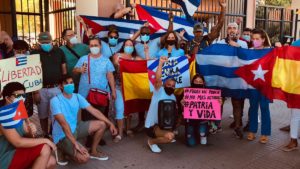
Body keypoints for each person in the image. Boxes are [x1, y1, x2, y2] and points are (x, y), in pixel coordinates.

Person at [50, 75, 117, 163]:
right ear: (60, 86)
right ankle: (61, 149)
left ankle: (93, 151)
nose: (70, 85)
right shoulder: (55, 100)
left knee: (102, 124)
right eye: (66, 83)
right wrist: (75, 143)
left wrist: (110, 123)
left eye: (71, 82)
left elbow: (94, 111)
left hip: (75, 128)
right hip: (62, 136)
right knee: (84, 158)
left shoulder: (77, 97)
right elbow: (64, 124)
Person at [0, 82, 56, 169]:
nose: (22, 99)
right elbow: (18, 142)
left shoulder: (20, 110)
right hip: (5, 158)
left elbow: (28, 138)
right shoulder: (3, 115)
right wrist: (45, 140)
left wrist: (30, 132)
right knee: (45, 148)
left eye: (24, 96)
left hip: (18, 152)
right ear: (7, 98)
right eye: (18, 96)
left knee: (51, 161)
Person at [215, 22, 248, 139]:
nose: (232, 30)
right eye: (230, 28)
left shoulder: (243, 44)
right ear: (227, 30)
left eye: (234, 28)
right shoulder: (219, 43)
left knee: (237, 103)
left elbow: (246, 58)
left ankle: (237, 127)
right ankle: (216, 125)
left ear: (238, 31)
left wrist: (236, 46)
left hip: (236, 78)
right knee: (219, 101)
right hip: (222, 77)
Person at [31, 32, 67, 137]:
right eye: (43, 42)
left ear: (52, 41)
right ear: (39, 43)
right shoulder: (34, 54)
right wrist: (35, 92)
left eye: (47, 42)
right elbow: (31, 75)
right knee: (43, 115)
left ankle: (54, 133)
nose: (45, 44)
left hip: (56, 88)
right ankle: (45, 134)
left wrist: (63, 87)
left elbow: (64, 70)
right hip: (40, 89)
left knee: (57, 114)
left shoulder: (59, 51)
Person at [73, 36, 116, 119]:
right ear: (89, 47)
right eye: (91, 46)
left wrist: (113, 91)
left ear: (100, 46)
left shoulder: (106, 60)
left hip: (101, 94)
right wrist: (79, 70)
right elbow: (74, 70)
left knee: (101, 118)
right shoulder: (83, 59)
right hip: (85, 94)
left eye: (96, 45)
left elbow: (110, 76)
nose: (94, 47)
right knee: (87, 118)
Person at [111, 39, 145, 141]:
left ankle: (128, 129)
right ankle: (119, 134)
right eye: (127, 45)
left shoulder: (136, 58)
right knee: (120, 108)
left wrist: (146, 52)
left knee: (129, 109)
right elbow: (116, 65)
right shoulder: (117, 56)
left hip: (130, 87)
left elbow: (147, 64)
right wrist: (119, 63)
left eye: (131, 45)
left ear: (133, 47)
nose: (129, 46)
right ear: (123, 46)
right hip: (118, 87)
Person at [145, 56, 176, 153]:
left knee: (180, 117)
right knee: (170, 137)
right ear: (164, 85)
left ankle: (167, 132)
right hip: (152, 126)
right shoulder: (159, 91)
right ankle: (152, 141)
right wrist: (160, 64)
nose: (170, 87)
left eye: (173, 86)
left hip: (165, 124)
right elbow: (158, 80)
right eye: (168, 85)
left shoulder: (173, 97)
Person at [247, 28, 272, 144]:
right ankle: (252, 130)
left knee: (264, 107)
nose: (255, 41)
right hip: (253, 84)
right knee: (253, 107)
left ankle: (265, 133)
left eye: (257, 39)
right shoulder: (249, 51)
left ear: (263, 40)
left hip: (266, 85)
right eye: (253, 39)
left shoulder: (270, 51)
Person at [12, 40, 35, 117]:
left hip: (27, 92)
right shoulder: (7, 62)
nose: (21, 54)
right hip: (14, 94)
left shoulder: (30, 62)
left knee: (27, 115)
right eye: (19, 51)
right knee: (16, 115)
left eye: (24, 52)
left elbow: (34, 77)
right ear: (14, 50)